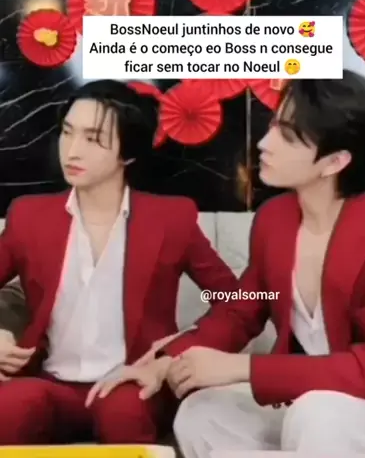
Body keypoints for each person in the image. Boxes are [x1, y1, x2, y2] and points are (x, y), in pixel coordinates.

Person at [114, 73, 365, 458]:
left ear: (335, 161)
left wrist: (243, 367)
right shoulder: (275, 219)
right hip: (313, 412)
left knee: (319, 413)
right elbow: (241, 312)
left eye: (287, 137)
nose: (263, 143)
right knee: (202, 413)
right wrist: (169, 360)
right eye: (274, 125)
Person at [0, 79, 238, 445]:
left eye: (93, 139)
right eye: (68, 133)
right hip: (51, 382)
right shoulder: (29, 216)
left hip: (129, 384)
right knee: (11, 405)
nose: (72, 151)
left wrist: (172, 358)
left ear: (128, 153)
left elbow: (237, 302)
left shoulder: (170, 219)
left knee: (124, 410)